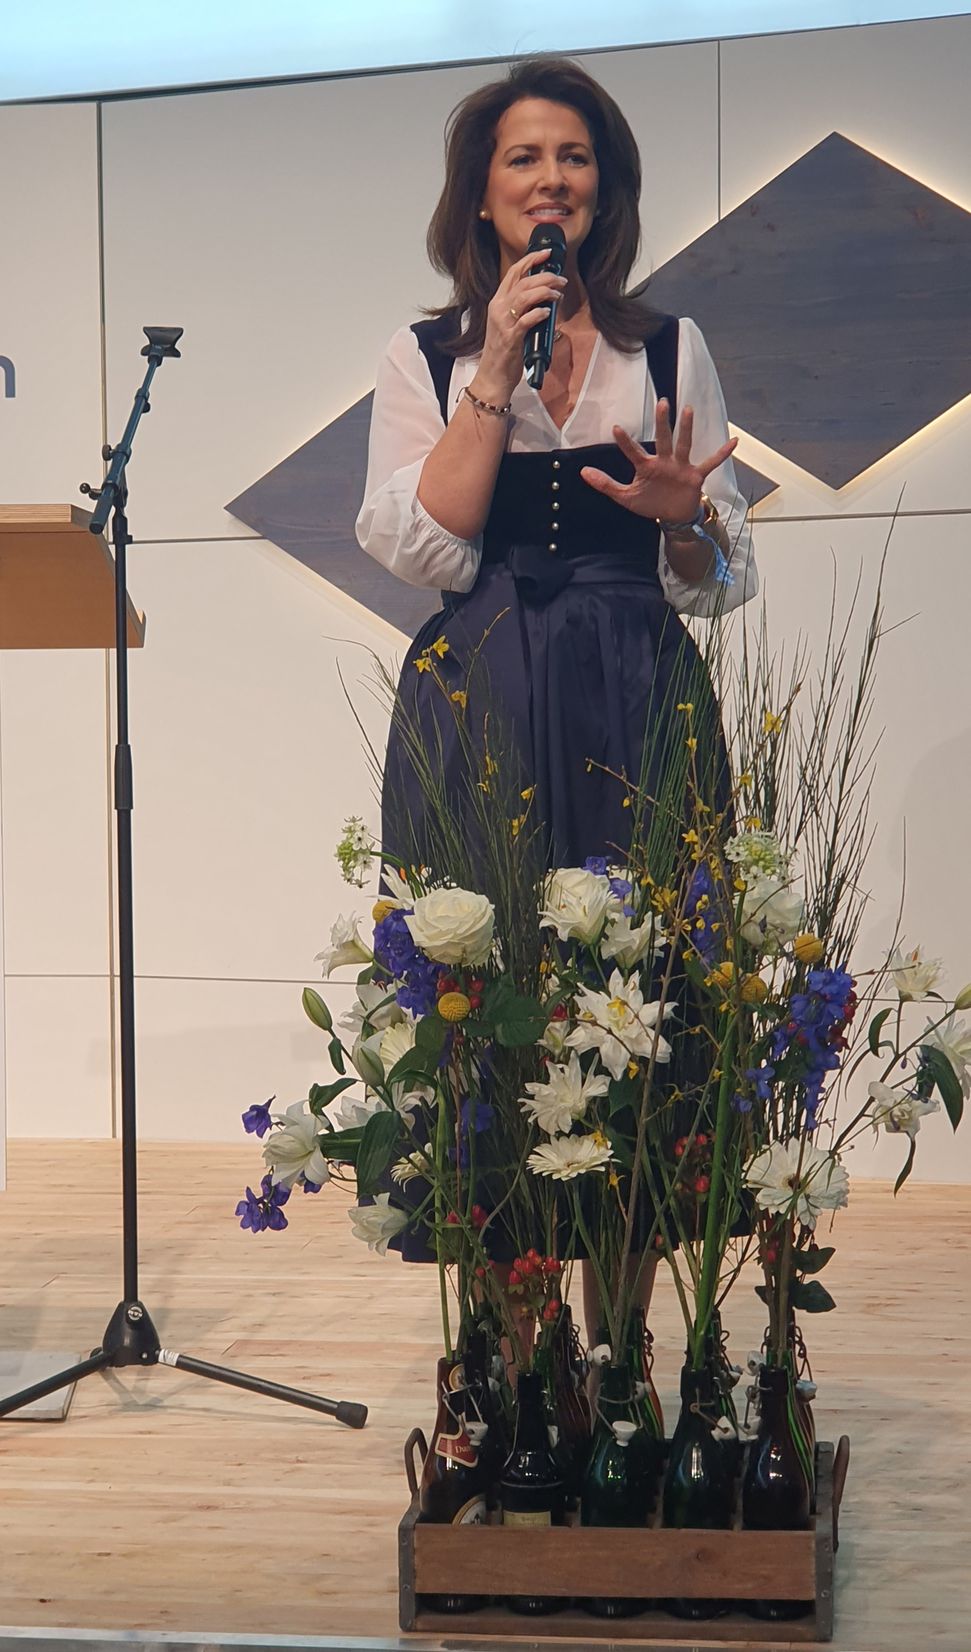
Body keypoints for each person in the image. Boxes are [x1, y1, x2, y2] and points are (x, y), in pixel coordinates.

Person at [355, 56, 758, 1316]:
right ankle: (508, 1364)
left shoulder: (668, 346)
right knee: (491, 1004)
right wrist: (491, 364)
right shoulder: (423, 355)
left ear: (603, 188)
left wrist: (683, 519)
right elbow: (425, 549)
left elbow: (719, 576)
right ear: (480, 195)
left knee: (644, 1000)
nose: (549, 179)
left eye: (572, 157)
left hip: (635, 691)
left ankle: (624, 1357)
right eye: (522, 158)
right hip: (479, 699)